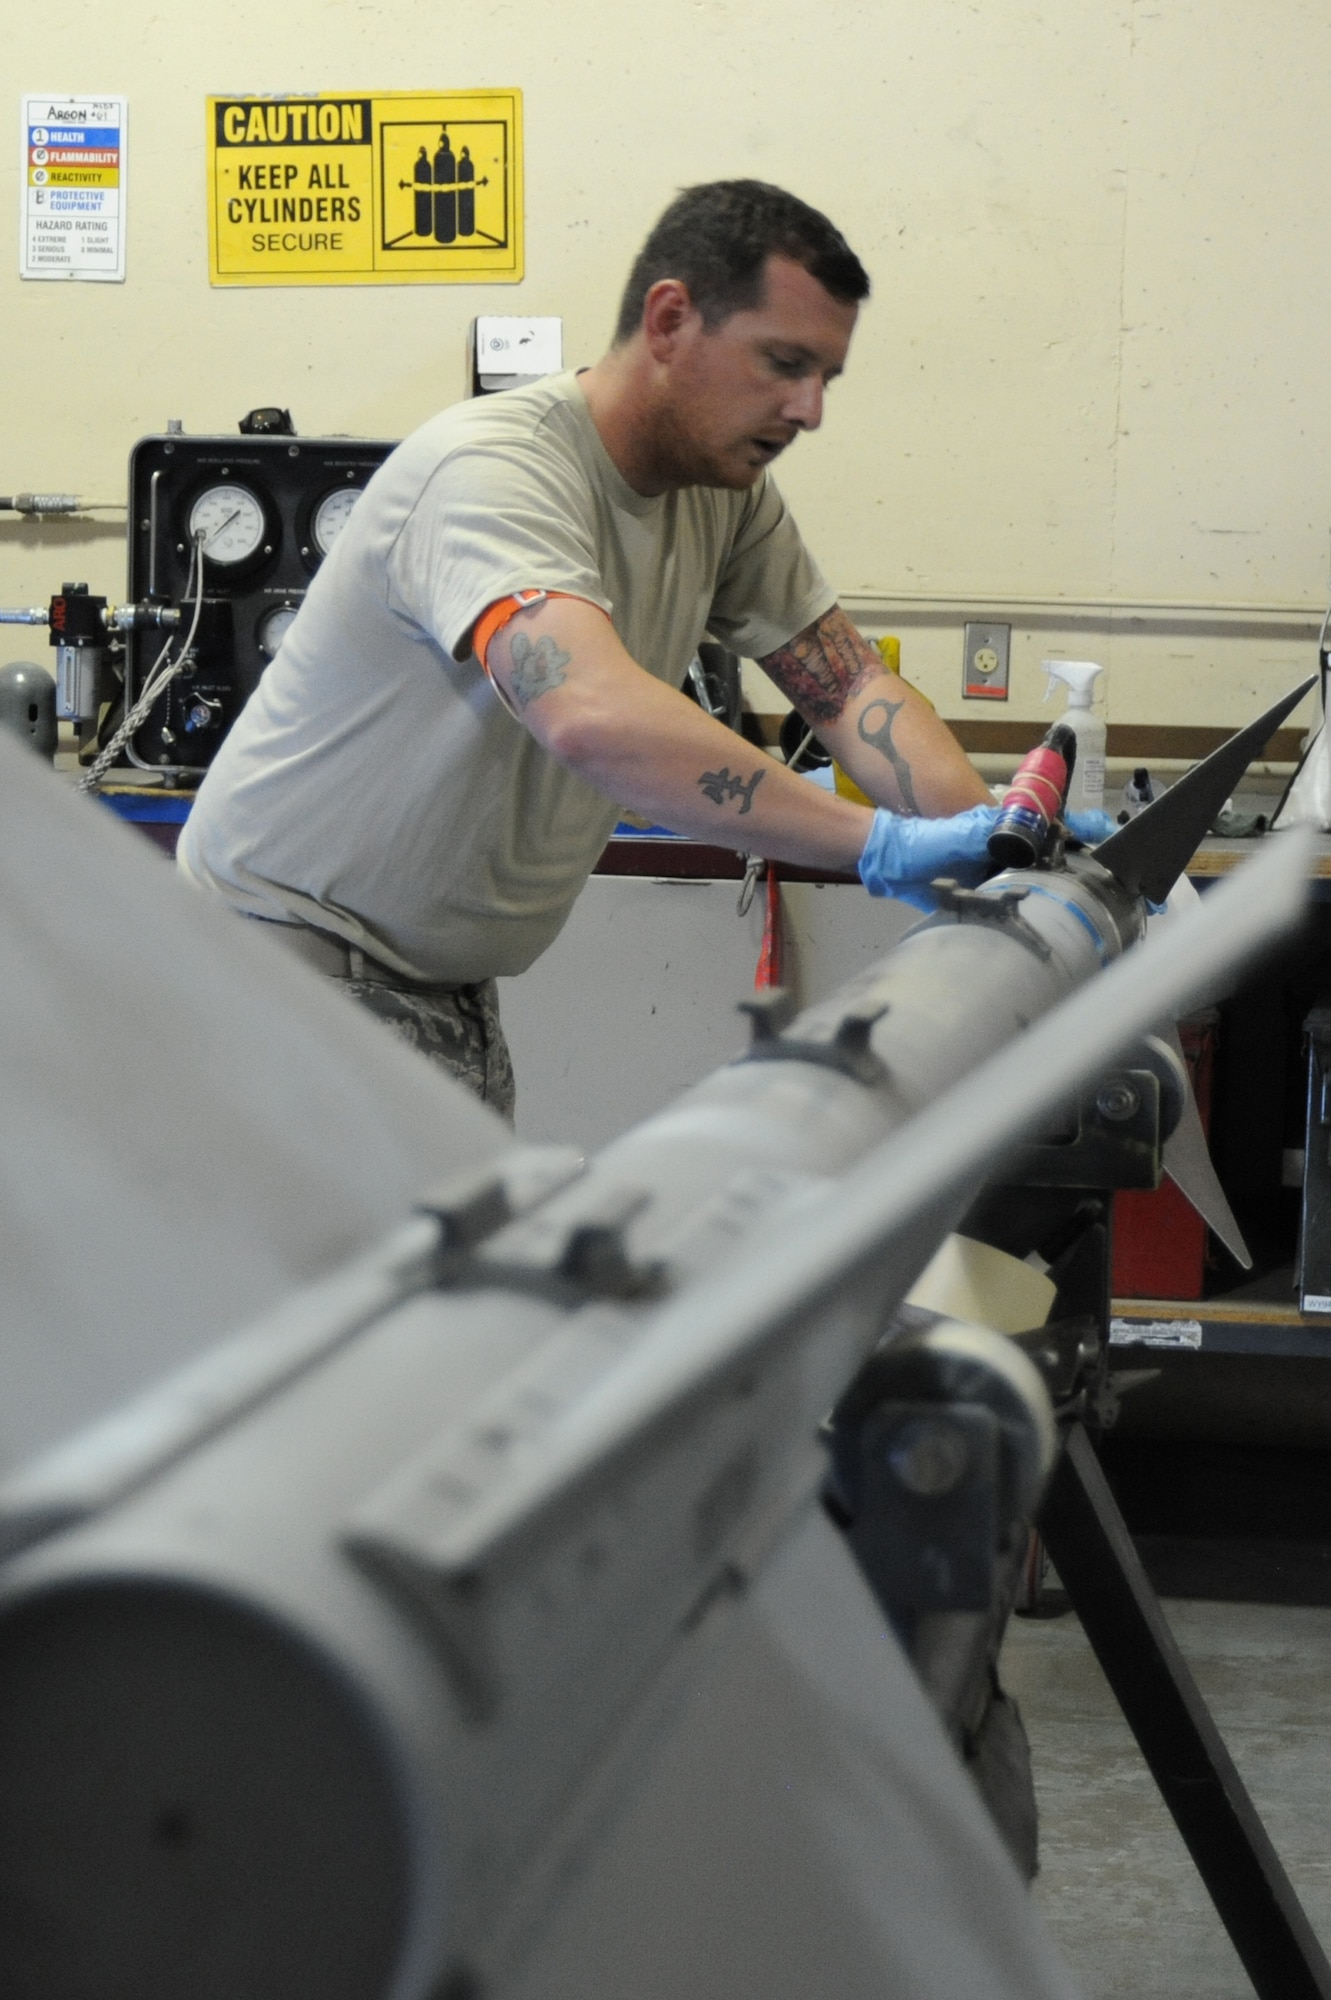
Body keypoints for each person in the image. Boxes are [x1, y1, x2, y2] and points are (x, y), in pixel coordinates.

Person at [178, 181, 1014, 1119]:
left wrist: (999, 848)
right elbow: (590, 714)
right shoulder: (495, 470)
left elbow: (849, 686)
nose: (810, 408)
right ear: (668, 320)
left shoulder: (724, 493)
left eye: (826, 376)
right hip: (285, 975)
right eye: (783, 362)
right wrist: (879, 845)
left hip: (426, 985)